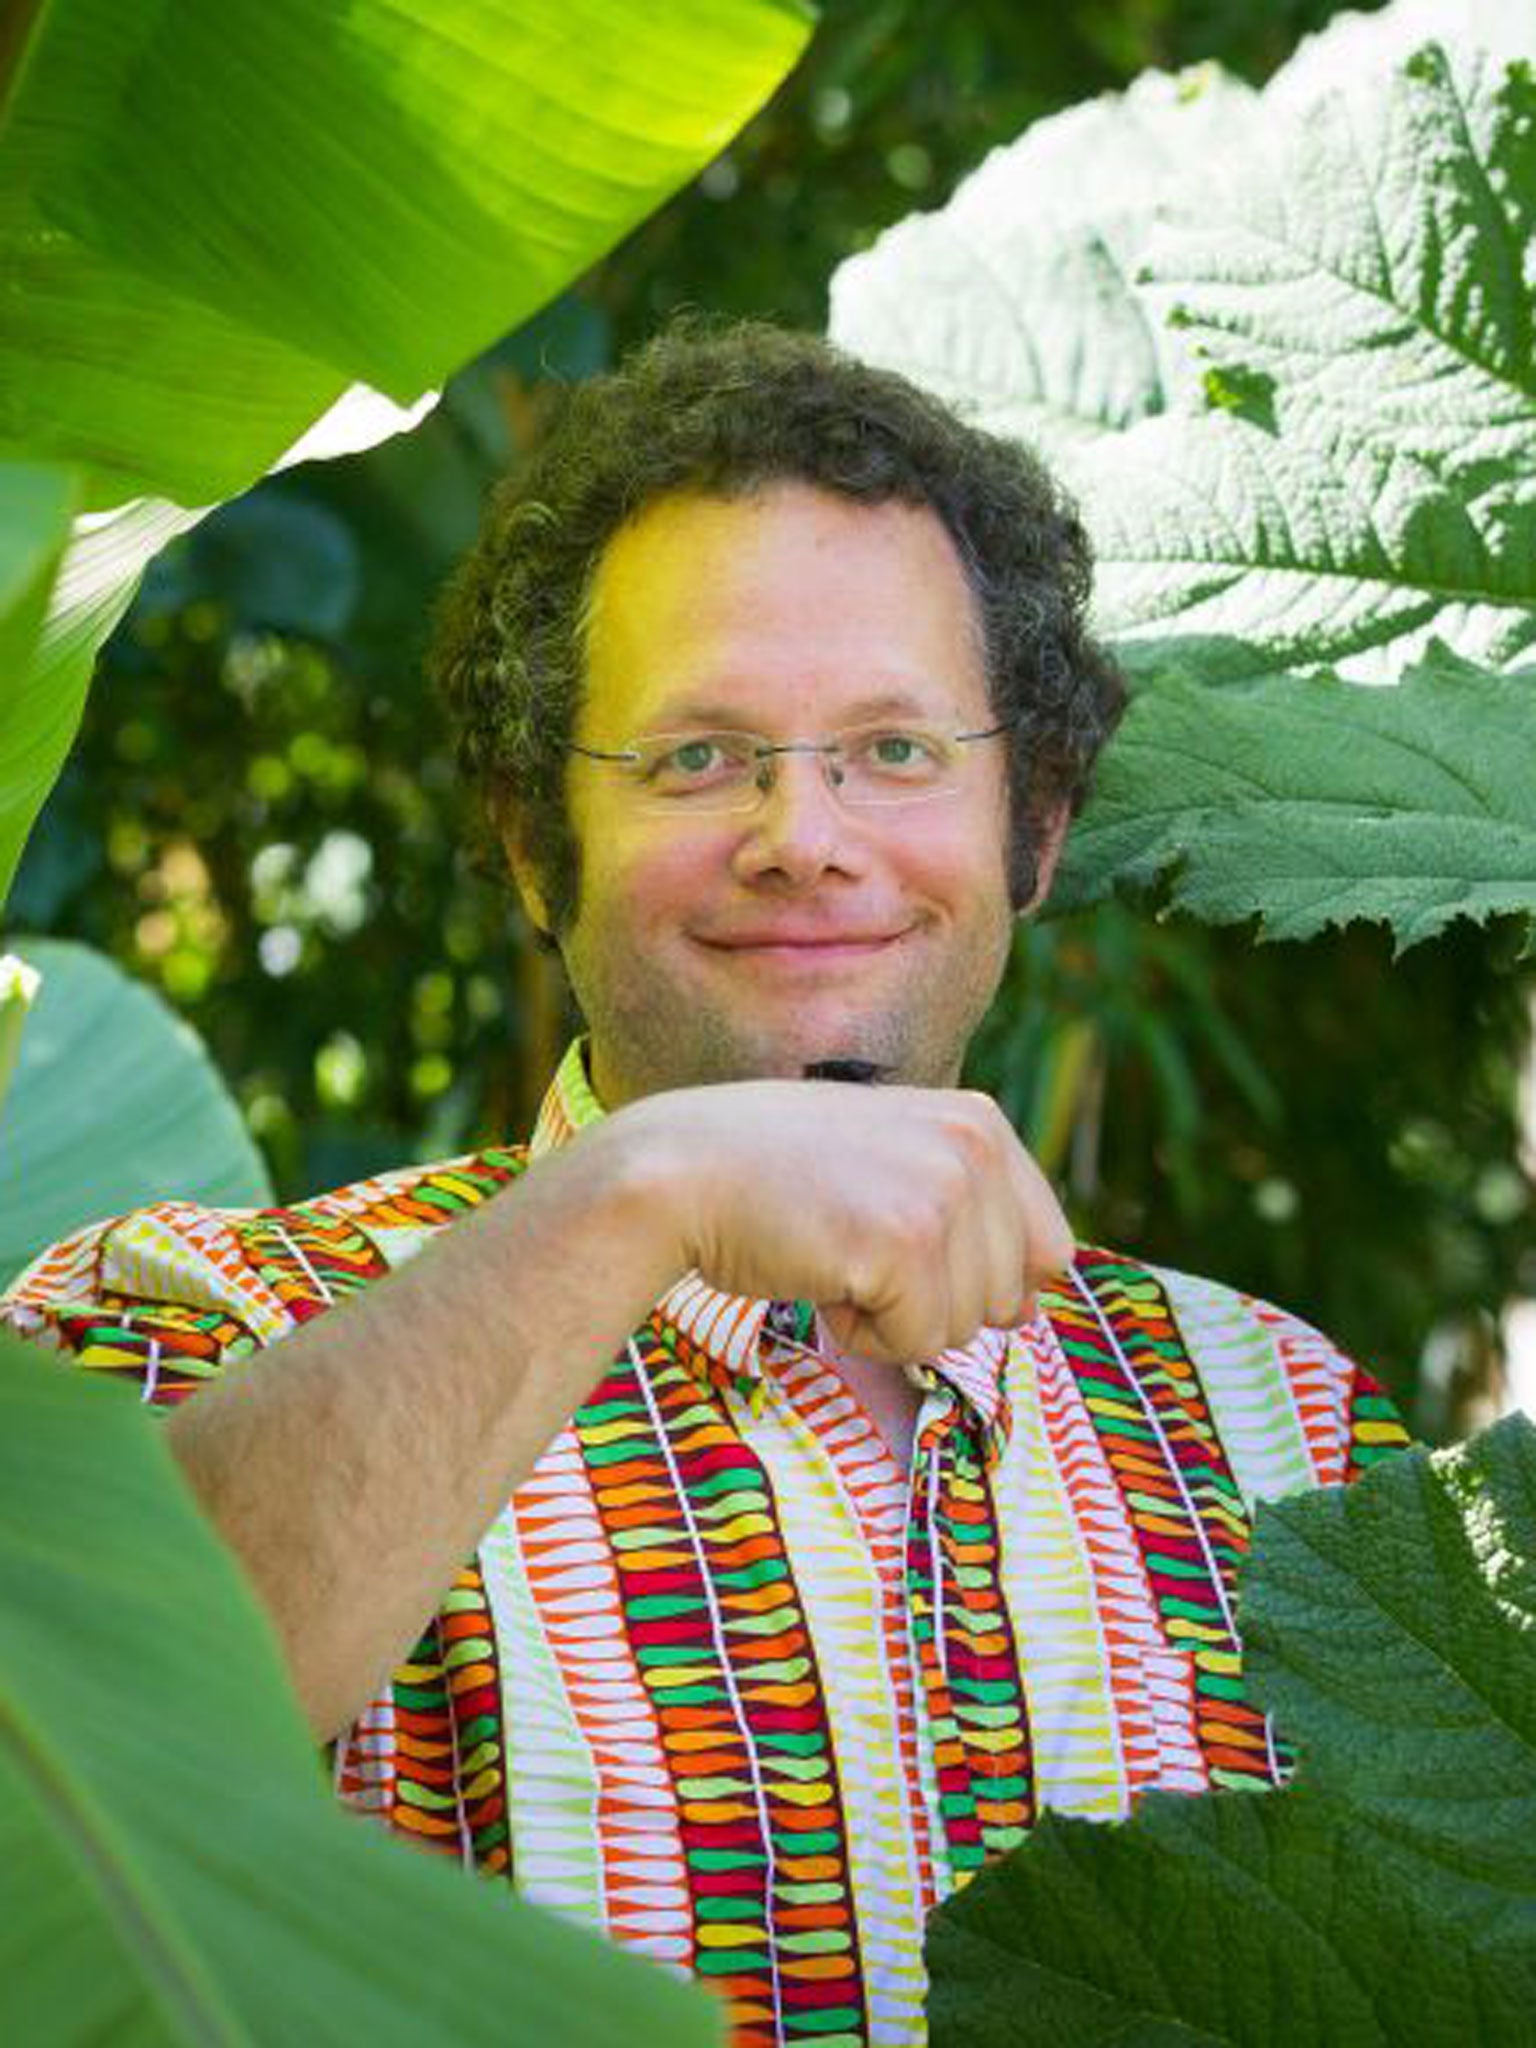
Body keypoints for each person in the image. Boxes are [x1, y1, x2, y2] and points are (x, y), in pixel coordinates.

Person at [3, 323, 1408, 2048]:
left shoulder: (1302, 1436)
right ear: (534, 837)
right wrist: (640, 1193)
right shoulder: (204, 1318)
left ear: (1032, 825)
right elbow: (53, 1735)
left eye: (895, 749)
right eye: (696, 757)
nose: (802, 834)